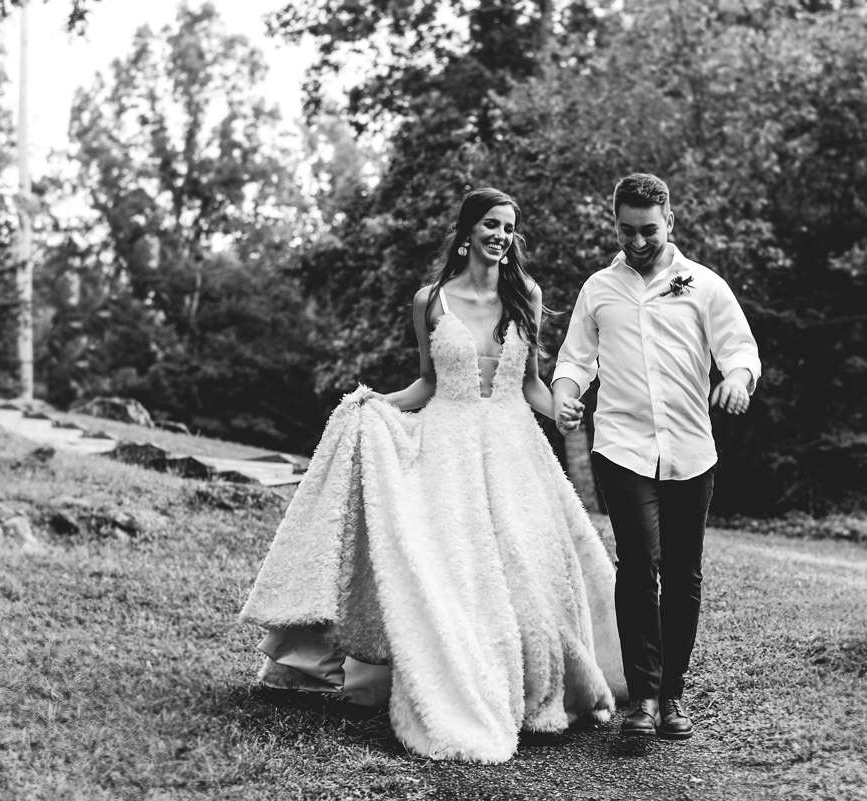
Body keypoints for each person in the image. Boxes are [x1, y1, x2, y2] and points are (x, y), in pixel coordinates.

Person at [240, 188, 625, 764]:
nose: (501, 236)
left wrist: (562, 411)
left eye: (509, 228)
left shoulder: (527, 294)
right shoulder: (430, 300)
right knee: (458, 568)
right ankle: (465, 680)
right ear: (467, 231)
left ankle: (536, 686)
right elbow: (426, 383)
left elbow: (530, 386)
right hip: (449, 446)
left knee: (531, 565)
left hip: (516, 446)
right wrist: (374, 404)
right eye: (491, 225)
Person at [552, 173, 760, 740]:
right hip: (621, 445)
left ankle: (673, 694)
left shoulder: (705, 285)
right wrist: (566, 397)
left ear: (670, 222)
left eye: (648, 231)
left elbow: (739, 350)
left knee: (684, 573)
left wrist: (737, 382)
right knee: (639, 567)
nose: (637, 243)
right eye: (626, 231)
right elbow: (575, 359)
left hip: (691, 449)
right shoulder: (598, 288)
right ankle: (642, 698)